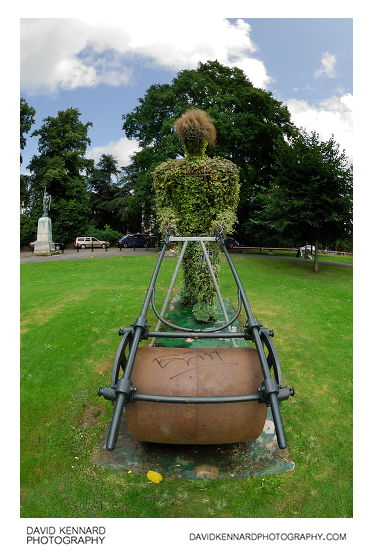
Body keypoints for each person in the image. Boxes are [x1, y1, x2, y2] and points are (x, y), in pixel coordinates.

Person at [153, 108, 240, 322]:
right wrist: (168, 222)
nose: (191, 143)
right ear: (183, 142)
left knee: (205, 265)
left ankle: (206, 305)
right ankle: (191, 292)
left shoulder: (223, 170)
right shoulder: (168, 172)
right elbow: (165, 206)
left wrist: (222, 223)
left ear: (203, 141)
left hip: (208, 234)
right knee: (189, 265)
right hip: (185, 233)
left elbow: (227, 208)